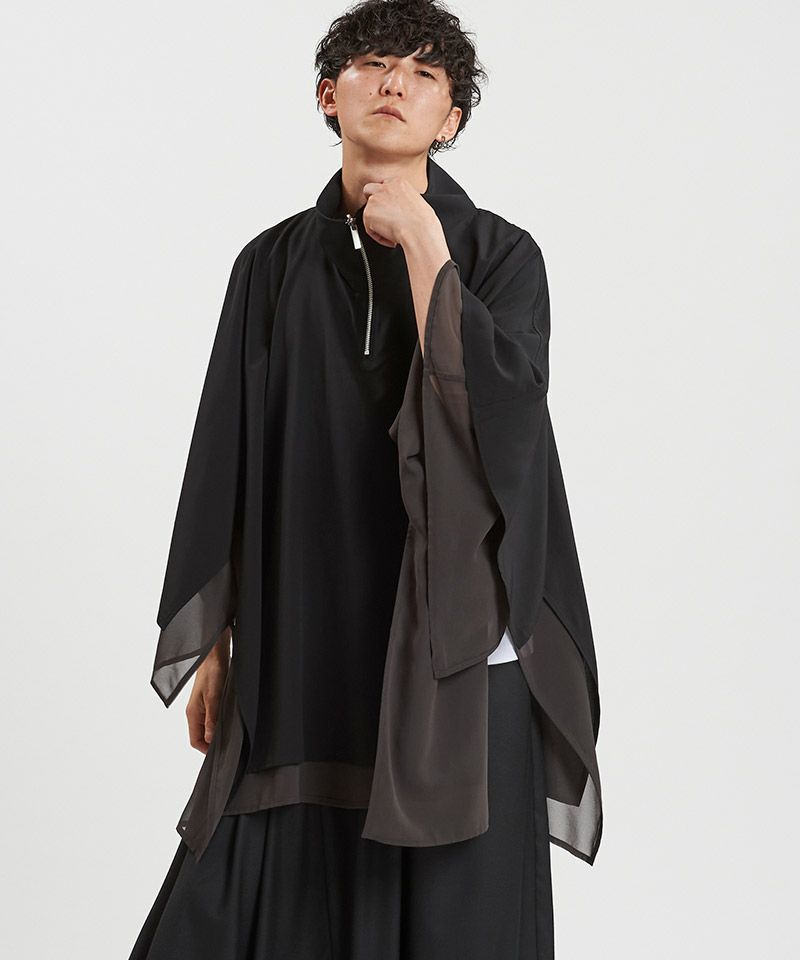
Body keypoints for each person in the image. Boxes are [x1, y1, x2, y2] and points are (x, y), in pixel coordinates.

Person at [128, 1, 603, 958]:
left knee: (451, 888)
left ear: (450, 118)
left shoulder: (502, 255)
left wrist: (425, 244)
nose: (395, 83)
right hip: (302, 623)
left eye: (425, 74)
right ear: (327, 95)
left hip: (450, 633)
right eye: (374, 63)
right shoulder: (270, 265)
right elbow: (228, 445)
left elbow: (505, 426)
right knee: (237, 893)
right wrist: (215, 638)